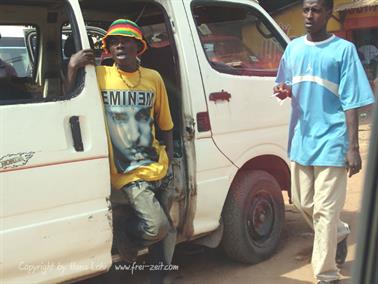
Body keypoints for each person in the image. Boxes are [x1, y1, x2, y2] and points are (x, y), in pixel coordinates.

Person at [65, 19, 176, 284]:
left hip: (158, 164)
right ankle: (125, 235)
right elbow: (69, 103)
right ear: (108, 49)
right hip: (128, 171)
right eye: (114, 41)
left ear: (139, 46)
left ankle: (159, 278)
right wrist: (72, 67)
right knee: (157, 227)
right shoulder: (99, 76)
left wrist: (170, 159)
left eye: (126, 40)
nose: (119, 45)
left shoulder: (153, 78)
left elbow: (166, 124)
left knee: (165, 231)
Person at [274, 1, 375, 283]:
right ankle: (340, 232)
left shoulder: (344, 50)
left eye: (316, 10)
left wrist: (352, 147)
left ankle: (326, 275)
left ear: (328, 13)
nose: (309, 15)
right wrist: (283, 90)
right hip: (301, 140)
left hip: (333, 139)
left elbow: (353, 100)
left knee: (325, 212)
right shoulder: (293, 48)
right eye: (306, 9)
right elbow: (284, 84)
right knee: (305, 203)